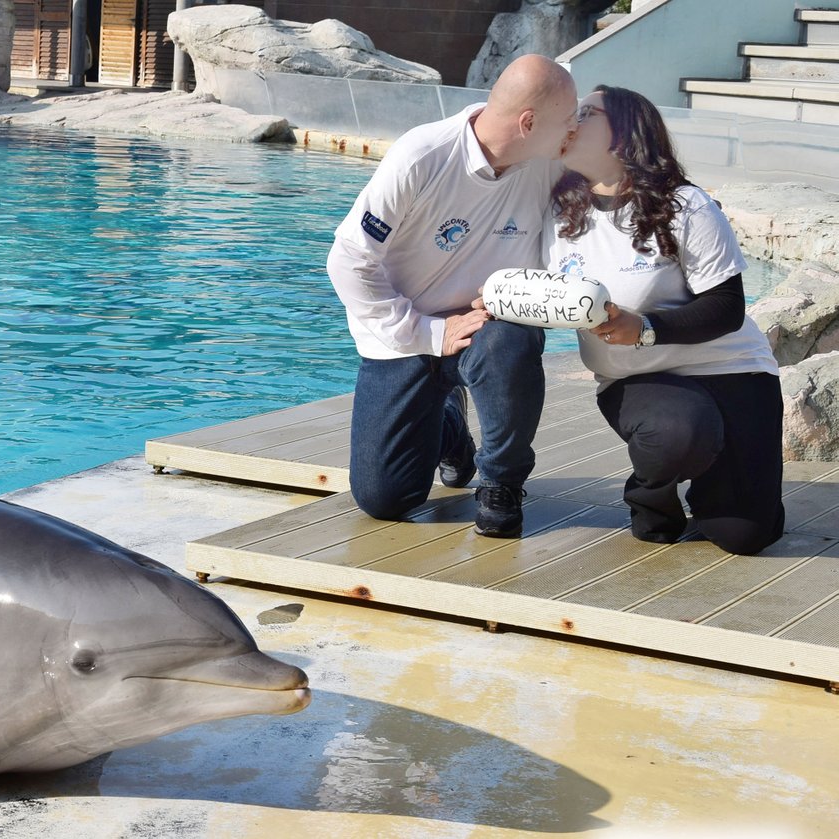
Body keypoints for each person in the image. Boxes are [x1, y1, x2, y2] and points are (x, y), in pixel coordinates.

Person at [327, 54, 579, 537]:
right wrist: (425, 331)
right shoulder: (424, 154)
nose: (573, 130)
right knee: (385, 498)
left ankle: (501, 485)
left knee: (512, 342)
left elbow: (616, 172)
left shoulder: (548, 163)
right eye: (566, 120)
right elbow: (348, 261)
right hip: (408, 330)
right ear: (528, 123)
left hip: (488, 325)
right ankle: (450, 433)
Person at [543, 85, 783, 555]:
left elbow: (728, 308)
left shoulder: (685, 204)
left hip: (732, 369)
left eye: (587, 114)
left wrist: (647, 328)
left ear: (623, 136)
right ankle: (652, 498)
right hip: (638, 380)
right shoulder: (553, 208)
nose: (573, 120)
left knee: (745, 536)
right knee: (677, 432)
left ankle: (716, 479)